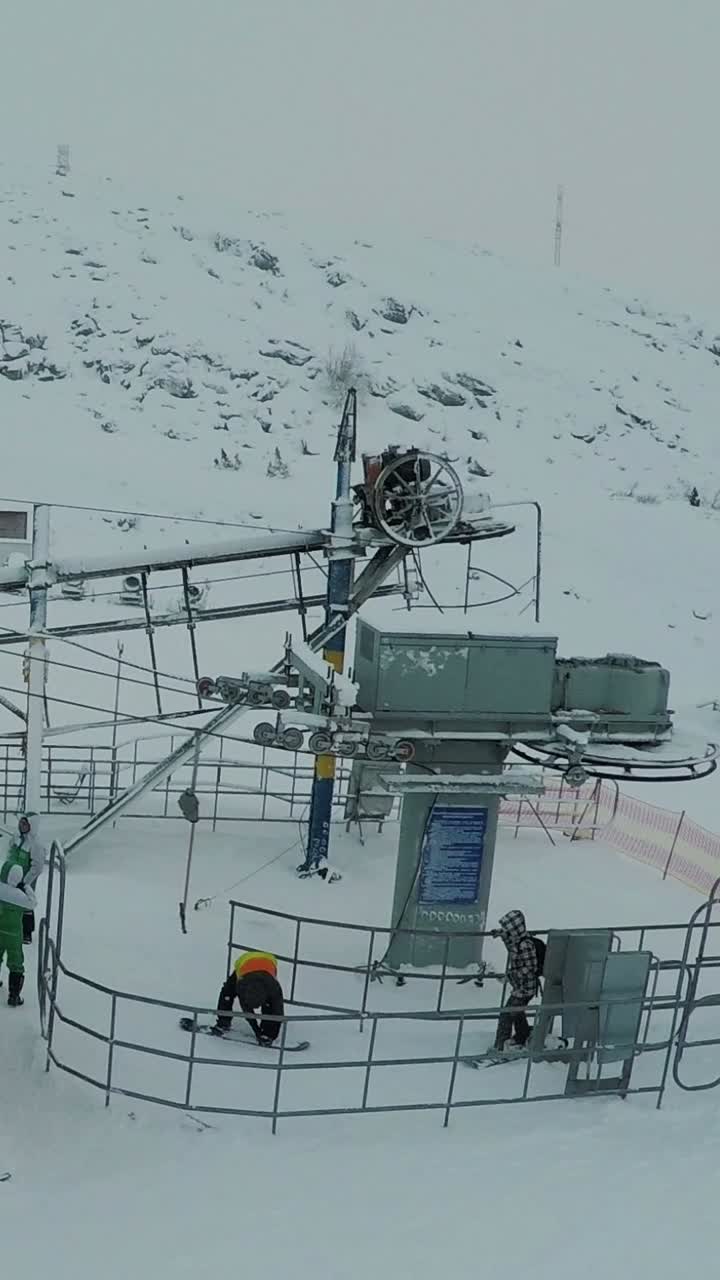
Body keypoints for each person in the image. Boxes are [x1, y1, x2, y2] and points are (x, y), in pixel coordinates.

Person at [212, 950, 284, 1044]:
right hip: (245, 962)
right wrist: (257, 1032)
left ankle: (268, 1033)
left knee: (270, 1005)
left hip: (268, 962)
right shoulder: (241, 985)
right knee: (227, 993)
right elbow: (247, 1011)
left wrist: (271, 1035)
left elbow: (278, 1013)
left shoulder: (273, 988)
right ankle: (223, 1021)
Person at [492, 909, 539, 1052]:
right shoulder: (516, 939)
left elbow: (531, 966)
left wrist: (514, 974)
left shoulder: (525, 945)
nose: (507, 931)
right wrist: (500, 933)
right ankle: (522, 1034)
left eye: (508, 928)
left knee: (506, 1014)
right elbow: (508, 939)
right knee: (517, 1012)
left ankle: (500, 1046)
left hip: (526, 988)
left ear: (515, 929)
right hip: (520, 986)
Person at [0, 856, 36, 1007]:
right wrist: (26, 887)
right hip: (14, 935)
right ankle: (14, 995)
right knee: (16, 963)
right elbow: (32, 903)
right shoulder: (20, 897)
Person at [5, 813, 46, 945]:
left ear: (32, 826)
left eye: (25, 824)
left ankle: (26, 932)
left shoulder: (36, 844)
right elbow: (9, 853)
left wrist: (26, 882)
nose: (22, 826)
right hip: (11, 876)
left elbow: (37, 867)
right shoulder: (16, 837)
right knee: (9, 902)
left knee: (25, 905)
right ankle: (10, 927)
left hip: (25, 879)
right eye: (21, 823)